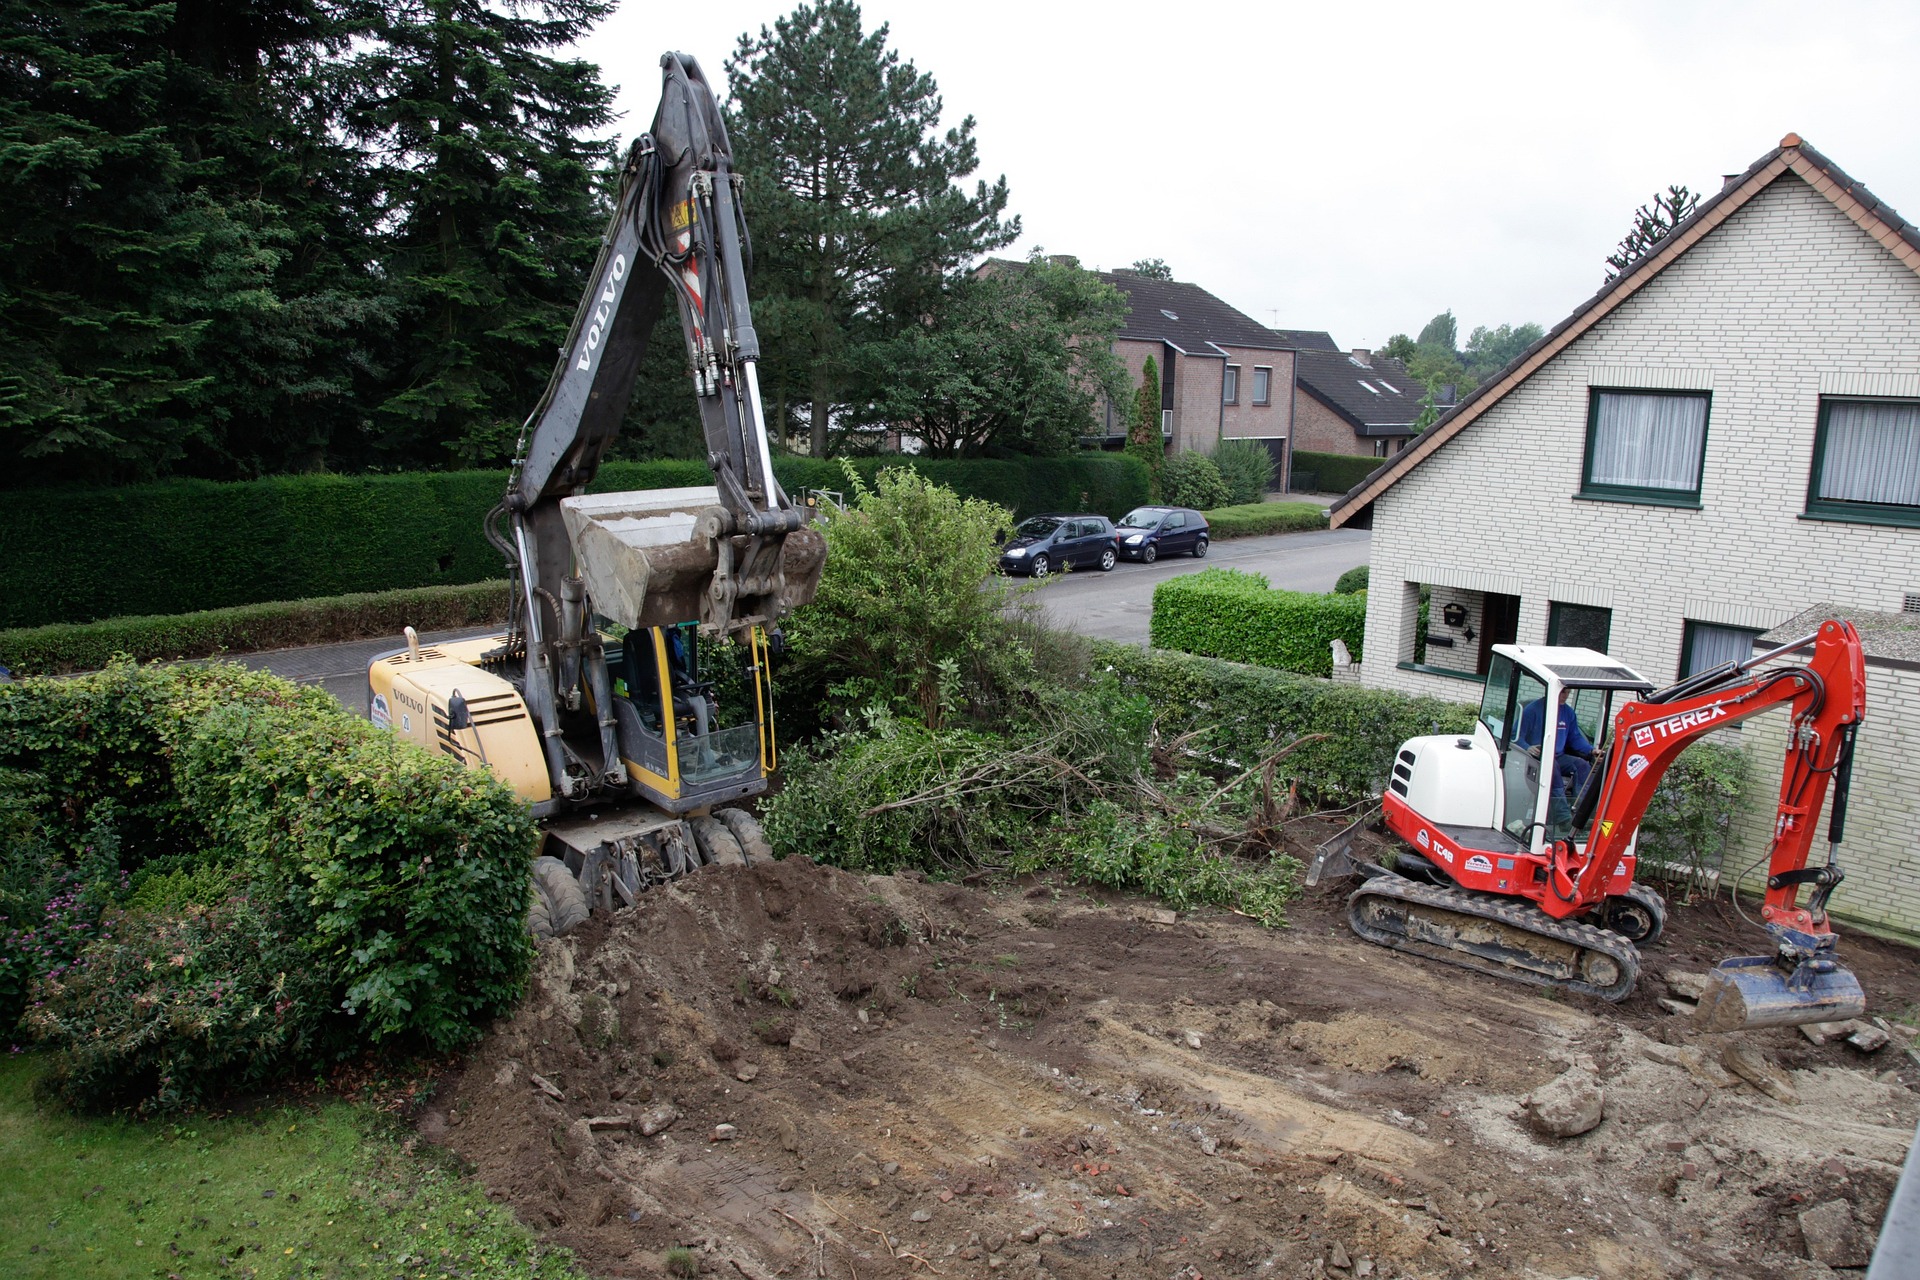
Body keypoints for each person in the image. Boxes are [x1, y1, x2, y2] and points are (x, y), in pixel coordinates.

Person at [1515, 687, 1597, 804]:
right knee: (1552, 768)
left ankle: (1579, 811)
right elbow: (1516, 735)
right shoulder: (1532, 710)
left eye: (1568, 692)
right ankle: (1562, 816)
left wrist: (1591, 750)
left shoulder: (1568, 713)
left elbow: (1575, 738)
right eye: (1563, 692)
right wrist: (1527, 747)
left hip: (1559, 756)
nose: (1566, 695)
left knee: (1582, 766)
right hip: (1538, 757)